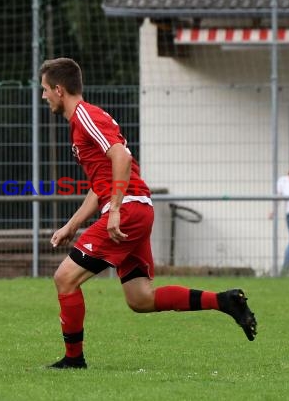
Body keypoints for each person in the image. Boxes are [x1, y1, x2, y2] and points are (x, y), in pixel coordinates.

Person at [40, 57, 257, 369]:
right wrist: (72, 224)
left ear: (59, 90)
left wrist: (114, 210)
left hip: (127, 210)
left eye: (45, 89)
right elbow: (100, 183)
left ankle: (74, 360)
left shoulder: (86, 115)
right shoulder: (83, 122)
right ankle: (224, 301)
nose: (44, 96)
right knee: (140, 298)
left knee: (65, 279)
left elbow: (122, 158)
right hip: (135, 209)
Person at [276, 168, 289, 276]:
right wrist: (273, 211)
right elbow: (278, 197)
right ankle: (284, 270)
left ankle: (284, 271)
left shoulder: (284, 180)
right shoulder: (283, 180)